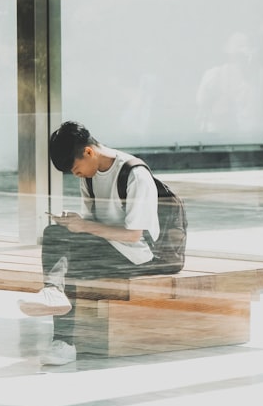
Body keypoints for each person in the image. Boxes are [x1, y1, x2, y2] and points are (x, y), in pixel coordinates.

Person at [17, 121, 168, 365]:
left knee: (75, 260)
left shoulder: (134, 174)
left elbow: (134, 236)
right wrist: (74, 223)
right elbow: (91, 224)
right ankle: (54, 292)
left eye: (77, 170)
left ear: (89, 152)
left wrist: (84, 227)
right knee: (54, 233)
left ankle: (64, 341)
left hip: (138, 257)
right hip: (108, 247)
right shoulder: (89, 177)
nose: (78, 176)